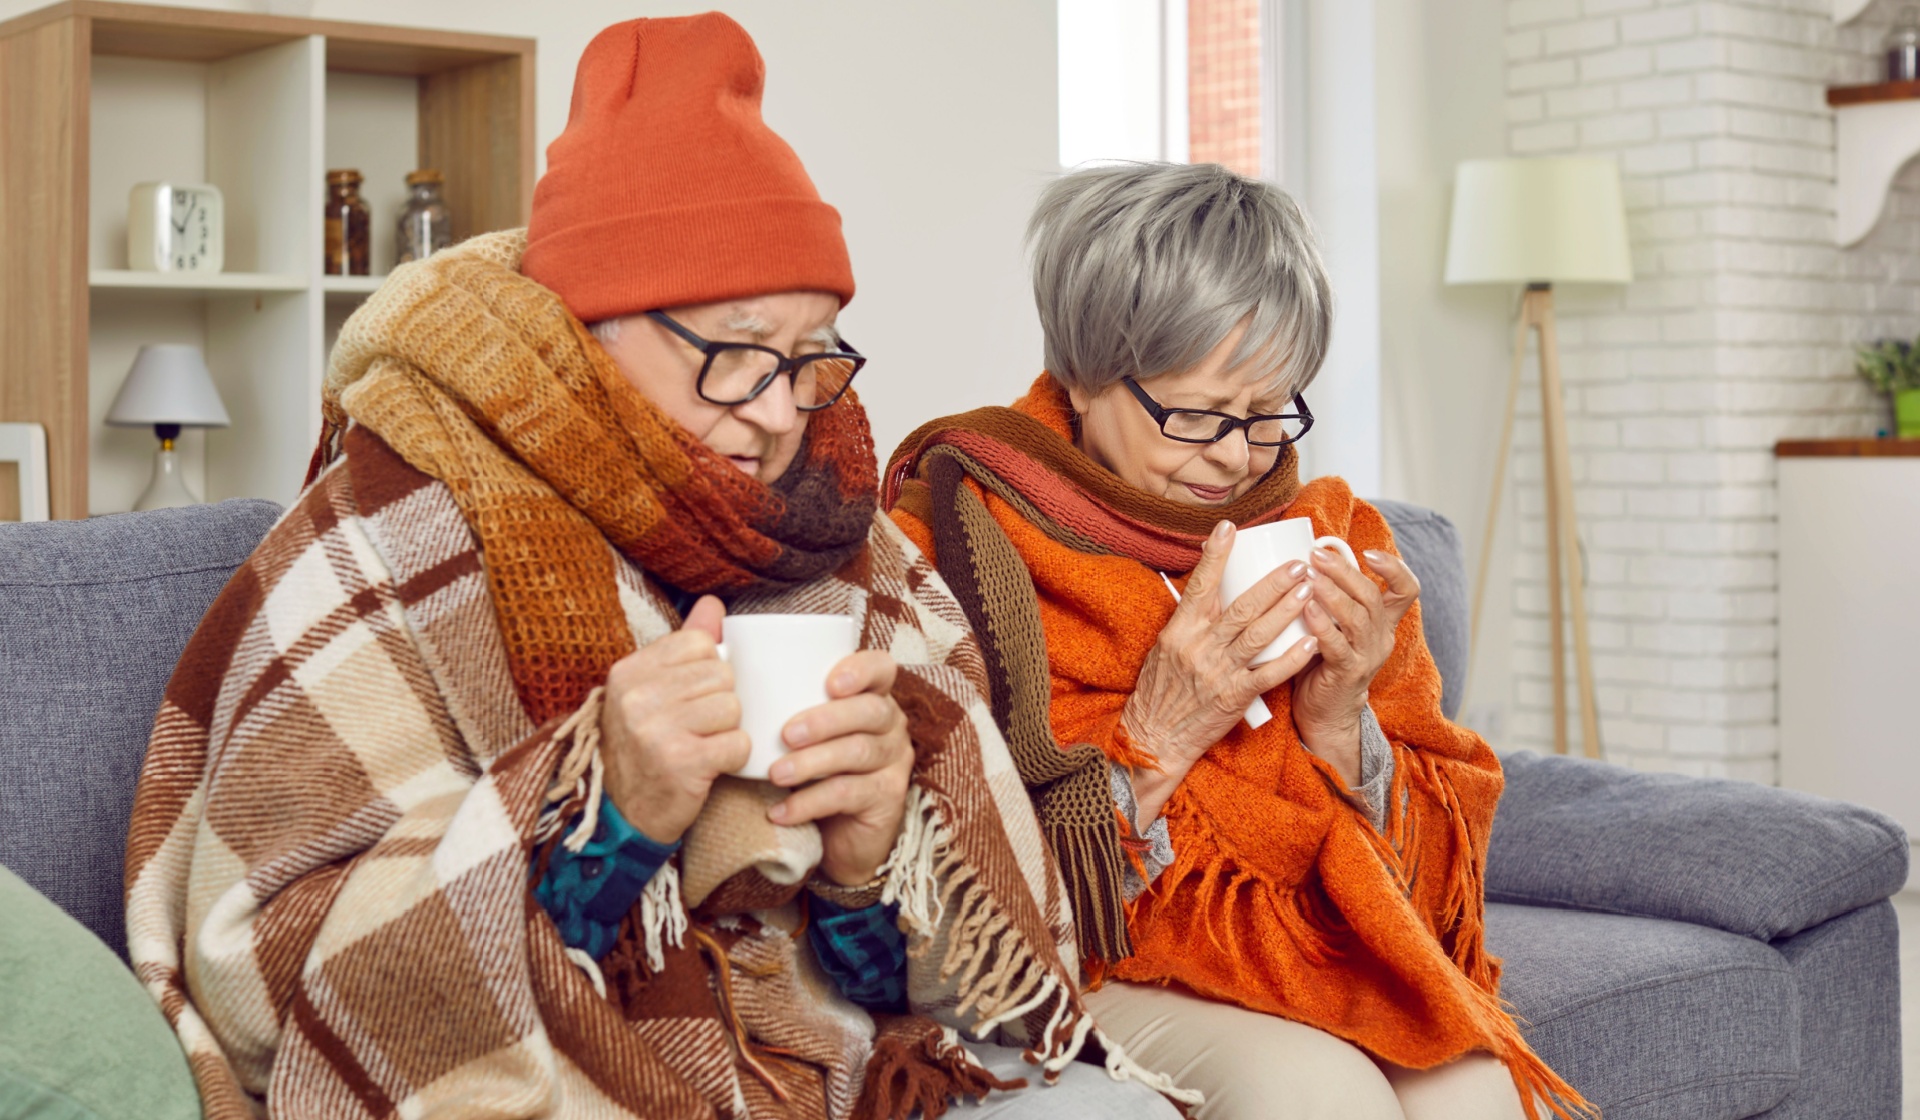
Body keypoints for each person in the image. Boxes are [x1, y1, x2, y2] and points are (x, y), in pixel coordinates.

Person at [123, 17, 1185, 1120]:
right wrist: (608, 816)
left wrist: (872, 862)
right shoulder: (393, 528)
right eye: (734, 354)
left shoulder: (848, 548)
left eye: (809, 354)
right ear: (591, 330)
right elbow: (266, 986)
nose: (778, 414)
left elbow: (935, 1009)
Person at [885, 162, 1591, 1120]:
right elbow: (940, 887)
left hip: (1325, 943)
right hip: (1095, 957)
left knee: (1481, 1090)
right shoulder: (958, 541)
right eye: (1198, 415)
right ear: (1086, 376)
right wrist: (1161, 731)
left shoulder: (1337, 538)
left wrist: (1342, 723)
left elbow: (1430, 889)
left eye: (1270, 414)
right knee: (1319, 1099)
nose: (1235, 456)